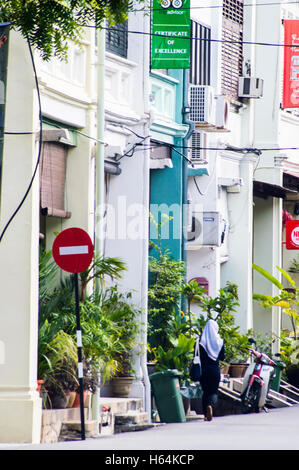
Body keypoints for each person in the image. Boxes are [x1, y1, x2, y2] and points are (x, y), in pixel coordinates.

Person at [199, 318, 225, 421]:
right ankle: (210, 406)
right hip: (215, 370)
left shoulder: (200, 341)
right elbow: (222, 357)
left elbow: (196, 355)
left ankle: (205, 415)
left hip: (203, 370)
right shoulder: (220, 342)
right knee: (213, 392)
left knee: (205, 391)